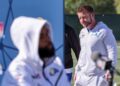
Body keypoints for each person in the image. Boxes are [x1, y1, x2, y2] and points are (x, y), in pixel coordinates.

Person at [2, 16, 70, 86]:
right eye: (41, 36)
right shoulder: (17, 70)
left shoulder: (56, 64)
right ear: (29, 42)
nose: (47, 39)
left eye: (47, 33)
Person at [74, 5, 117, 86]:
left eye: (84, 17)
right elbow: (83, 53)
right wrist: (77, 70)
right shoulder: (82, 32)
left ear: (92, 15)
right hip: (81, 77)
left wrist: (109, 71)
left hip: (98, 78)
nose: (82, 20)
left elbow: (112, 52)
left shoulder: (105, 31)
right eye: (80, 18)